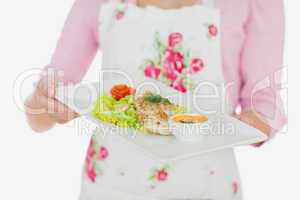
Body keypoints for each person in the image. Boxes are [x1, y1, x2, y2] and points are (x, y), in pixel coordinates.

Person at [25, 0, 287, 199]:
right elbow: (39, 112)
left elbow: (265, 103)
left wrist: (256, 123)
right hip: (111, 184)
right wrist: (46, 105)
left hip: (208, 185)